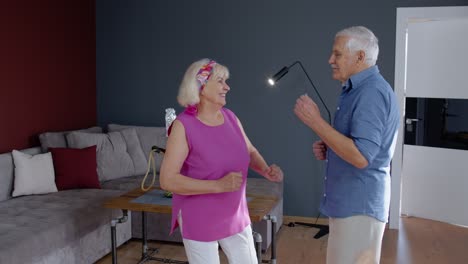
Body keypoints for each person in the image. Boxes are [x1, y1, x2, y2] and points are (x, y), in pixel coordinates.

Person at [160, 58, 284, 264]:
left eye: (226, 81)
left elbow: (250, 151)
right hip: (198, 215)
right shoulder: (183, 126)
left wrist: (265, 169)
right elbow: (167, 180)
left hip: (235, 212)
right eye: (220, 81)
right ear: (200, 86)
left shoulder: (230, 117)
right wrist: (217, 185)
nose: (227, 87)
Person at [294, 26, 400, 264]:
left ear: (360, 56)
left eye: (338, 54)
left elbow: (362, 156)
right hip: (350, 204)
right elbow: (359, 145)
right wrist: (331, 147)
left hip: (359, 206)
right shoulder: (358, 90)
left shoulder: (371, 93)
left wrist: (316, 121)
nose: (330, 60)